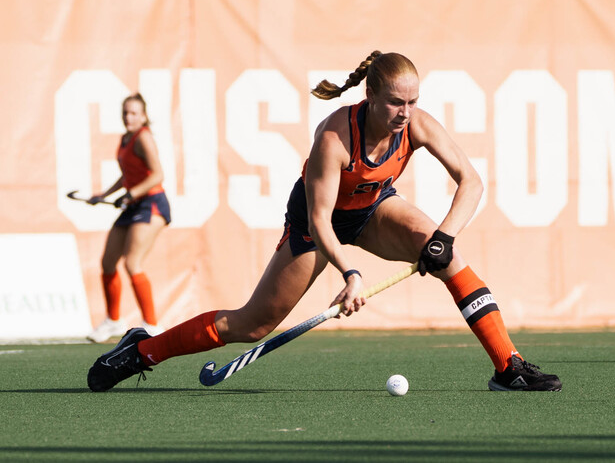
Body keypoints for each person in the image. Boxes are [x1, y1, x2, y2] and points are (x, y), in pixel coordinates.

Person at [87, 51, 561, 392]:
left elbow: (471, 182)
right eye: (397, 102)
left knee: (449, 258)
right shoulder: (335, 136)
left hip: (373, 210)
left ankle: (508, 365)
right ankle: (142, 350)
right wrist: (350, 273)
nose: (406, 113)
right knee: (251, 326)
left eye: (413, 102)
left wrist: (443, 237)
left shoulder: (416, 124)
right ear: (371, 94)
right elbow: (320, 220)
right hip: (317, 225)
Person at [85, 93, 170, 343]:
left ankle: (153, 326)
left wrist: (129, 194)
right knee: (108, 263)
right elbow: (127, 176)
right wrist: (104, 195)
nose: (128, 117)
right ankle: (113, 321)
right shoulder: (126, 138)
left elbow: (158, 175)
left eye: (133, 113)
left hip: (152, 203)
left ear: (143, 116)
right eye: (125, 112)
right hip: (133, 204)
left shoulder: (144, 137)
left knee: (133, 263)